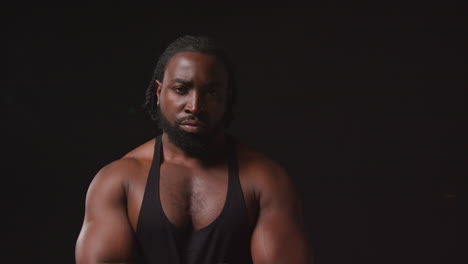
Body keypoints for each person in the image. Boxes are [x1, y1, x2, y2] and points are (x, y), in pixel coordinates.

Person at [75, 35, 308, 264]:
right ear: (159, 92)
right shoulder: (119, 180)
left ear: (228, 98)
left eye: (211, 92)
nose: (195, 106)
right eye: (181, 89)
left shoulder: (265, 180)